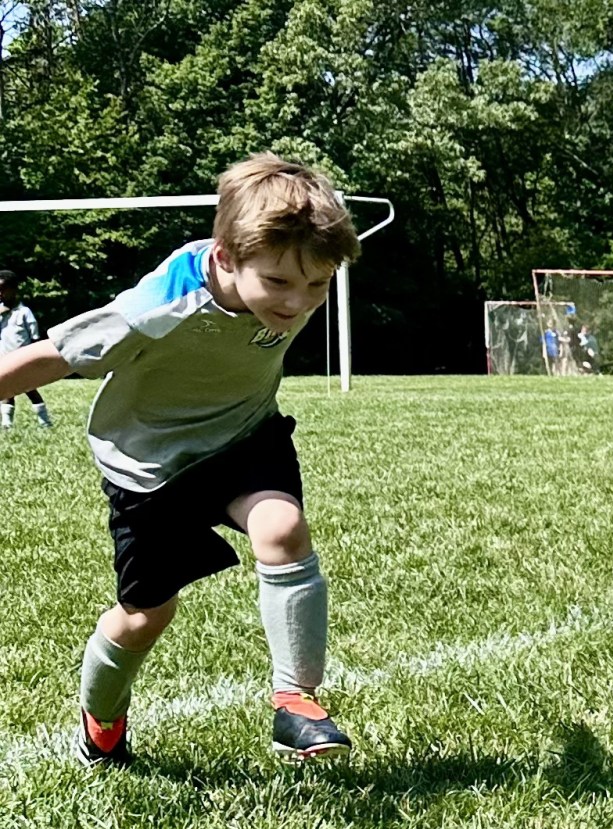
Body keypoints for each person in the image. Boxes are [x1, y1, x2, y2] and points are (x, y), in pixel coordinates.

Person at [0, 152, 361, 766]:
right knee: (145, 617)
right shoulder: (158, 306)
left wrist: (289, 281)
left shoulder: (285, 267)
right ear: (226, 258)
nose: (298, 302)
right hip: (149, 466)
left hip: (244, 436)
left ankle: (295, 700)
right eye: (279, 283)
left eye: (317, 286)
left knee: (282, 528)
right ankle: (101, 722)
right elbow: (55, 356)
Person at [0, 270, 53, 428]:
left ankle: (45, 421)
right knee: (6, 390)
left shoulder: (24, 312)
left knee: (29, 389)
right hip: (5, 358)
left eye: (3, 289)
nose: (0, 293)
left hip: (23, 358)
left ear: (14, 290)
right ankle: (7, 424)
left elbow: (35, 337)